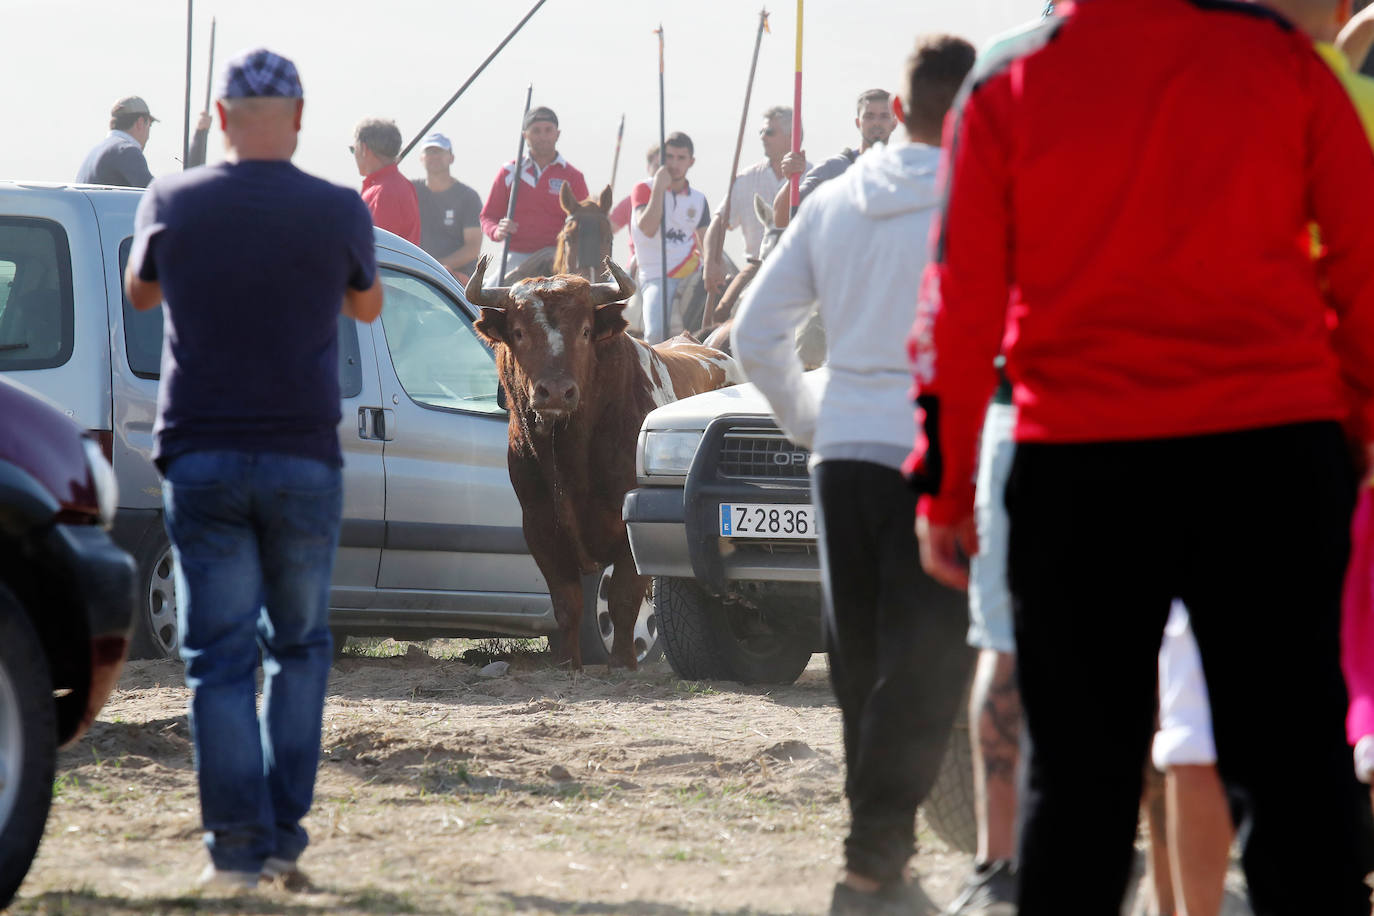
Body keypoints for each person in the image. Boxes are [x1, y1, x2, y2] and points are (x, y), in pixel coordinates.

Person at [906, 1, 1374, 912]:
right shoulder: (1288, 68)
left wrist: (943, 484)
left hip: (1082, 466)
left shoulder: (1009, 86)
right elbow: (1363, 271)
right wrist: (1352, 433)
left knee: (1079, 789)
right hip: (1270, 459)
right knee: (1296, 784)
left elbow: (956, 307)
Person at [124, 47, 383, 890]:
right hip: (303, 457)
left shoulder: (172, 197)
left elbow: (140, 292)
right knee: (299, 649)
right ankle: (281, 842)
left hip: (201, 453)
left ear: (222, 118)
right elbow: (368, 303)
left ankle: (234, 854)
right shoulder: (338, 205)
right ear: (301, 120)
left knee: (218, 659)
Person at [732, 35, 976, 915]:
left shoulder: (835, 200)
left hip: (842, 453)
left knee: (862, 662)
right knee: (927, 665)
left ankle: (881, 864)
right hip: (935, 451)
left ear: (899, 110)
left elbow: (752, 336)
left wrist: (812, 421)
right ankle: (871, 867)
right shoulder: (980, 194)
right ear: (971, 108)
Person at [701, 106, 809, 294]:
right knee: (723, 312)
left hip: (803, 270)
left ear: (792, 136)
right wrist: (710, 262)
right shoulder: (746, 179)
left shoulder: (814, 178)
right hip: (756, 269)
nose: (762, 137)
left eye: (769, 132)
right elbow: (718, 223)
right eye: (761, 132)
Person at [479, 106, 589, 279]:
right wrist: (497, 230)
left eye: (548, 130)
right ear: (525, 136)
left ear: (557, 134)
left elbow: (586, 222)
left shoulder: (573, 176)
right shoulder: (509, 172)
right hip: (516, 256)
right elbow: (488, 217)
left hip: (561, 257)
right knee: (485, 300)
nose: (543, 136)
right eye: (536, 131)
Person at [770, 89, 897, 229]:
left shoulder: (905, 171)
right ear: (858, 123)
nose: (876, 123)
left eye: (884, 116)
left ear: (894, 123)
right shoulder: (831, 169)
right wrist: (790, 181)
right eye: (869, 116)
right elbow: (782, 220)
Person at [630, 132, 710, 343]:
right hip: (657, 276)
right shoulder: (643, 188)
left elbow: (706, 242)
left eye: (681, 158)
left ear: (691, 162)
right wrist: (658, 188)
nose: (674, 163)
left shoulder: (699, 199)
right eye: (670, 157)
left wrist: (712, 267)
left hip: (692, 272)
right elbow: (647, 227)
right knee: (655, 334)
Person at [411, 132, 483, 283]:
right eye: (429, 152)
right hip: (418, 275)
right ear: (421, 158)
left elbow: (473, 248)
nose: (434, 156)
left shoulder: (468, 197)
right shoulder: (411, 190)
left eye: (439, 152)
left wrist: (436, 266)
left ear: (451, 158)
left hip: (457, 279)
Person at [353, 118, 421, 245]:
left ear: (363, 148)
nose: (354, 155)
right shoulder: (399, 185)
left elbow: (380, 247)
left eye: (353, 149)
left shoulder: (384, 192)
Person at [76, 95, 158, 187]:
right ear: (140, 122)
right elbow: (156, 194)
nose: (148, 135)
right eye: (149, 125)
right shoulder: (127, 151)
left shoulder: (93, 153)